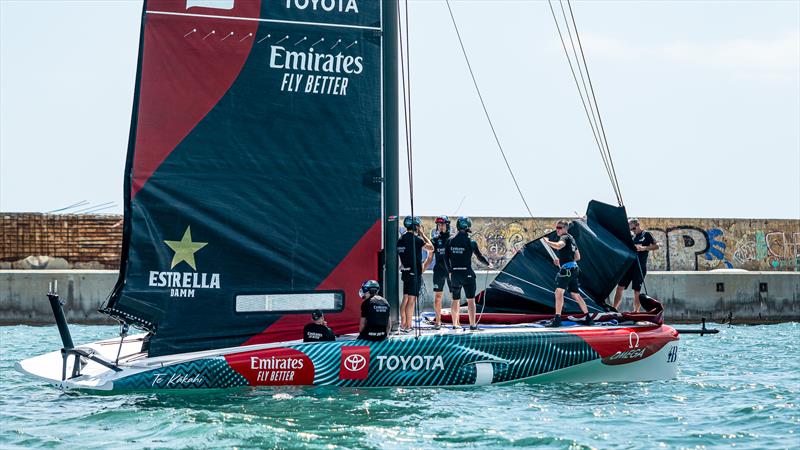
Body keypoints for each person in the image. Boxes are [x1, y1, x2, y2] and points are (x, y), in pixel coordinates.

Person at [543, 220, 593, 327]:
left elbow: (559, 246)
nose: (557, 229)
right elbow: (578, 257)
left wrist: (547, 242)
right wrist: (561, 261)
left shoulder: (564, 237)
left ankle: (557, 319)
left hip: (567, 270)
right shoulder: (572, 239)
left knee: (558, 292)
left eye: (560, 227)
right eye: (556, 227)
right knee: (575, 294)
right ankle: (588, 318)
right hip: (574, 268)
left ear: (565, 228)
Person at [446, 217, 492, 330]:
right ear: (468, 227)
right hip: (467, 274)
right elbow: (480, 257)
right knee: (471, 300)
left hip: (455, 274)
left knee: (455, 300)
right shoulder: (471, 242)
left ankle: (454, 324)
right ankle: (472, 325)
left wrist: (450, 272)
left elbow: (445, 258)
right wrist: (488, 264)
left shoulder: (450, 241)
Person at [613, 218, 660, 312]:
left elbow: (657, 246)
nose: (631, 229)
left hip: (639, 266)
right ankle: (613, 309)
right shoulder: (631, 236)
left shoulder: (646, 234)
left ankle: (636, 311)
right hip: (629, 266)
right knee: (620, 287)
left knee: (636, 290)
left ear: (636, 225)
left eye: (631, 226)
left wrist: (644, 248)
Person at [397, 216, 433, 333]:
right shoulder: (416, 239)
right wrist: (422, 234)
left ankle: (402, 323)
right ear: (416, 226)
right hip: (414, 272)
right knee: (411, 300)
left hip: (405, 271)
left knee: (405, 298)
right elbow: (431, 248)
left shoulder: (400, 239)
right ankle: (408, 326)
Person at [430, 216, 452, 330]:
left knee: (454, 296)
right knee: (438, 296)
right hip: (438, 270)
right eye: (439, 225)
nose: (440, 226)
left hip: (450, 271)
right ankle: (438, 321)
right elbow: (430, 254)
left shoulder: (452, 239)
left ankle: (455, 321)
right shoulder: (435, 239)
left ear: (447, 225)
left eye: (442, 224)